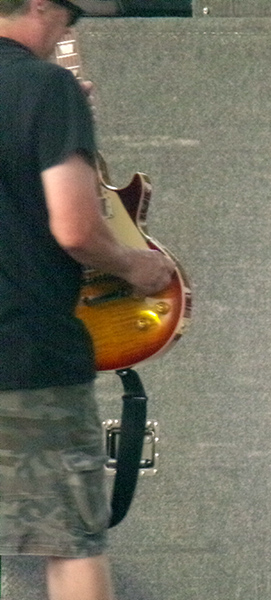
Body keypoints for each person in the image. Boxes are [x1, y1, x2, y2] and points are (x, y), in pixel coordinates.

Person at [0, 1, 175, 599]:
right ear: (41, 7)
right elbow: (74, 229)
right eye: (68, 18)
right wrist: (136, 265)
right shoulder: (47, 87)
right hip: (25, 356)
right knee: (67, 542)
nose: (68, 32)